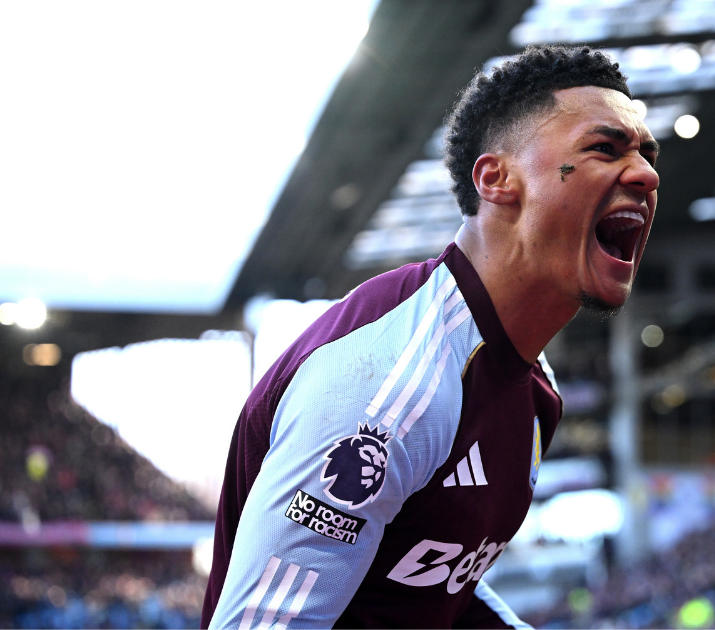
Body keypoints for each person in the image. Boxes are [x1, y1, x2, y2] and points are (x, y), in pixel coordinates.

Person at [202, 44, 658, 629]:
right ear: (496, 179)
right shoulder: (386, 384)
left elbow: (428, 587)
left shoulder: (533, 386)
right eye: (604, 148)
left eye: (648, 154)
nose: (647, 174)